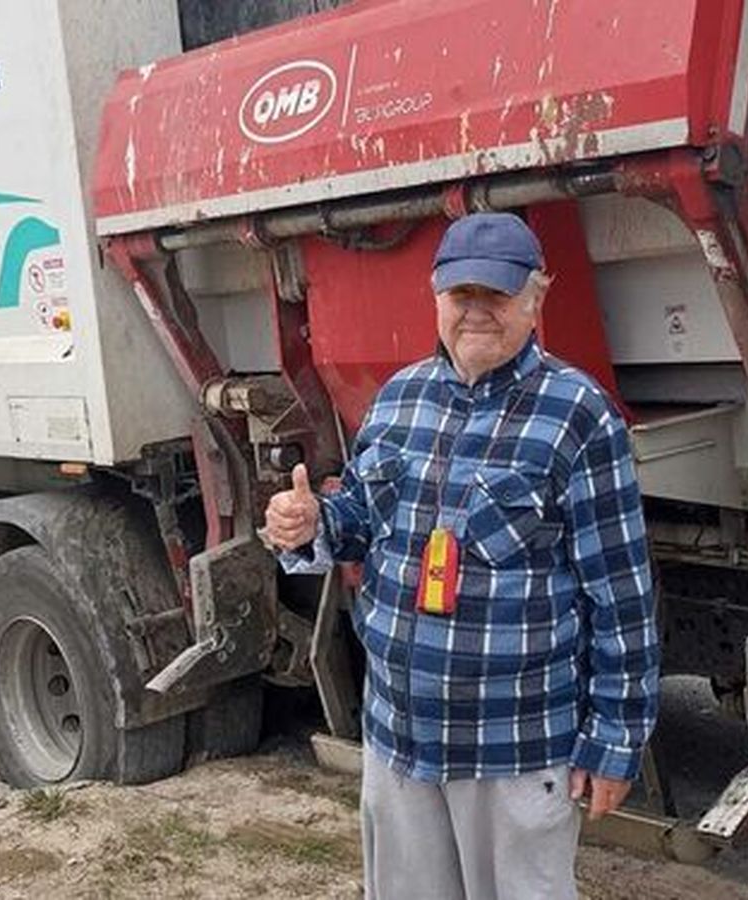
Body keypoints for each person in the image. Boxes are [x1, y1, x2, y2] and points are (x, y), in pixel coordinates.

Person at [263, 212, 660, 899]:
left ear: (536, 298)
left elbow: (622, 597)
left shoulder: (578, 414)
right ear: (435, 296)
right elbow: (359, 523)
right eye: (461, 293)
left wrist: (616, 742)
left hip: (513, 746)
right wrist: (310, 524)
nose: (476, 310)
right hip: (398, 738)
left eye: (496, 293)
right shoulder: (398, 399)